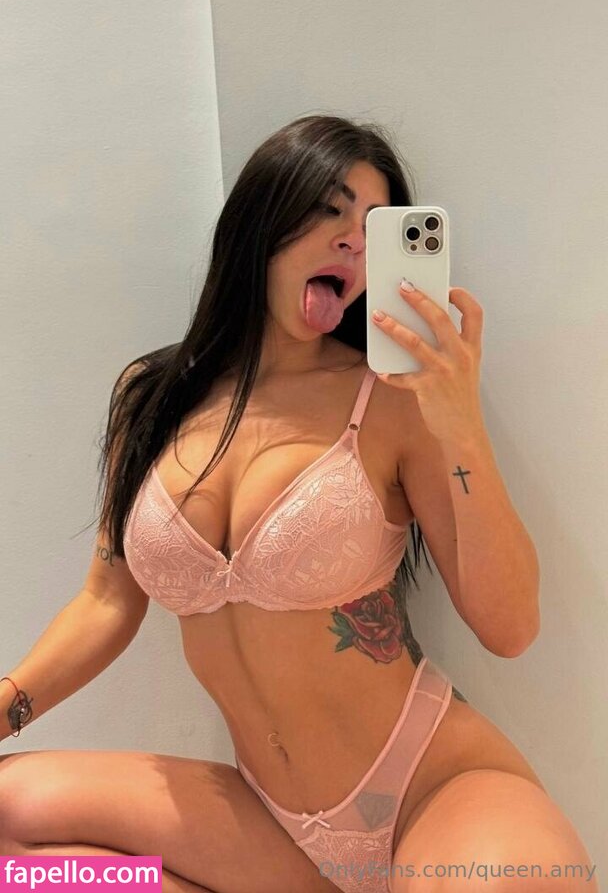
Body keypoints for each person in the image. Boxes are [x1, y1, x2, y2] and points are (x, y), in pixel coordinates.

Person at [0, 115, 597, 892]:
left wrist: (462, 426)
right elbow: (107, 601)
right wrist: (6, 708)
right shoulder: (152, 400)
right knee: (11, 824)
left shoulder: (394, 400)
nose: (353, 239)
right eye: (328, 208)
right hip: (264, 823)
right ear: (261, 222)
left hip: (431, 793)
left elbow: (510, 626)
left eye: (374, 227)